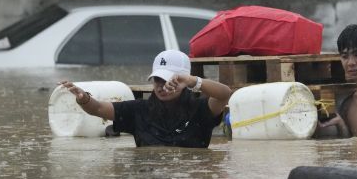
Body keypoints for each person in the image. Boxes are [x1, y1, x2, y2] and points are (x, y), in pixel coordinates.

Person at [60, 50, 231, 148]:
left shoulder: (200, 110)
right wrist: (84, 99)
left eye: (168, 80)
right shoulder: (138, 111)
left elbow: (224, 94)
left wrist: (193, 81)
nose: (161, 86)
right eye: (158, 80)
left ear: (184, 81)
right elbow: (97, 109)